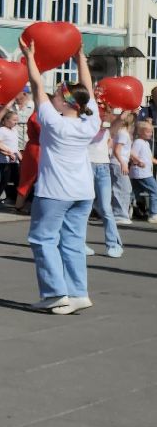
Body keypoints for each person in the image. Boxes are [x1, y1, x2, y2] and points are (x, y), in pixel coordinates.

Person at [21, 42, 100, 315]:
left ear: (66, 101)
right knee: (73, 242)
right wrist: (80, 58)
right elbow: (87, 90)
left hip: (55, 191)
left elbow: (35, 85)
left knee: (43, 240)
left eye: (57, 94)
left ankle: (56, 293)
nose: (52, 97)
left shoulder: (54, 122)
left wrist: (31, 57)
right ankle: (78, 292)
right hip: (83, 192)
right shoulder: (91, 121)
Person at [88, 105, 124, 259]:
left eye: (107, 112)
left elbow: (112, 128)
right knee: (85, 207)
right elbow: (102, 127)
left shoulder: (108, 127)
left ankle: (113, 243)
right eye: (103, 111)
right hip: (87, 166)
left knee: (105, 207)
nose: (105, 114)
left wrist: (123, 114)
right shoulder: (88, 123)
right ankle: (79, 242)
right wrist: (118, 118)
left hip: (102, 167)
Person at [0, 112, 23, 208]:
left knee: (17, 180)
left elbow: (15, 146)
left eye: (17, 120)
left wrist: (19, 155)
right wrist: (8, 153)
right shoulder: (1, 130)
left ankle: (14, 199)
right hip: (3, 161)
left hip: (14, 161)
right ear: (6, 120)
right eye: (14, 120)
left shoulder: (14, 130)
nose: (16, 122)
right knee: (3, 181)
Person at [131, 121, 156, 219]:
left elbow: (149, 158)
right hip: (141, 172)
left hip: (142, 173)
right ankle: (153, 214)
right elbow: (132, 154)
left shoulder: (146, 143)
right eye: (148, 132)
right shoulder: (138, 142)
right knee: (155, 191)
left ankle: (139, 211)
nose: (150, 134)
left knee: (136, 193)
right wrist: (138, 162)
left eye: (151, 132)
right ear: (140, 132)